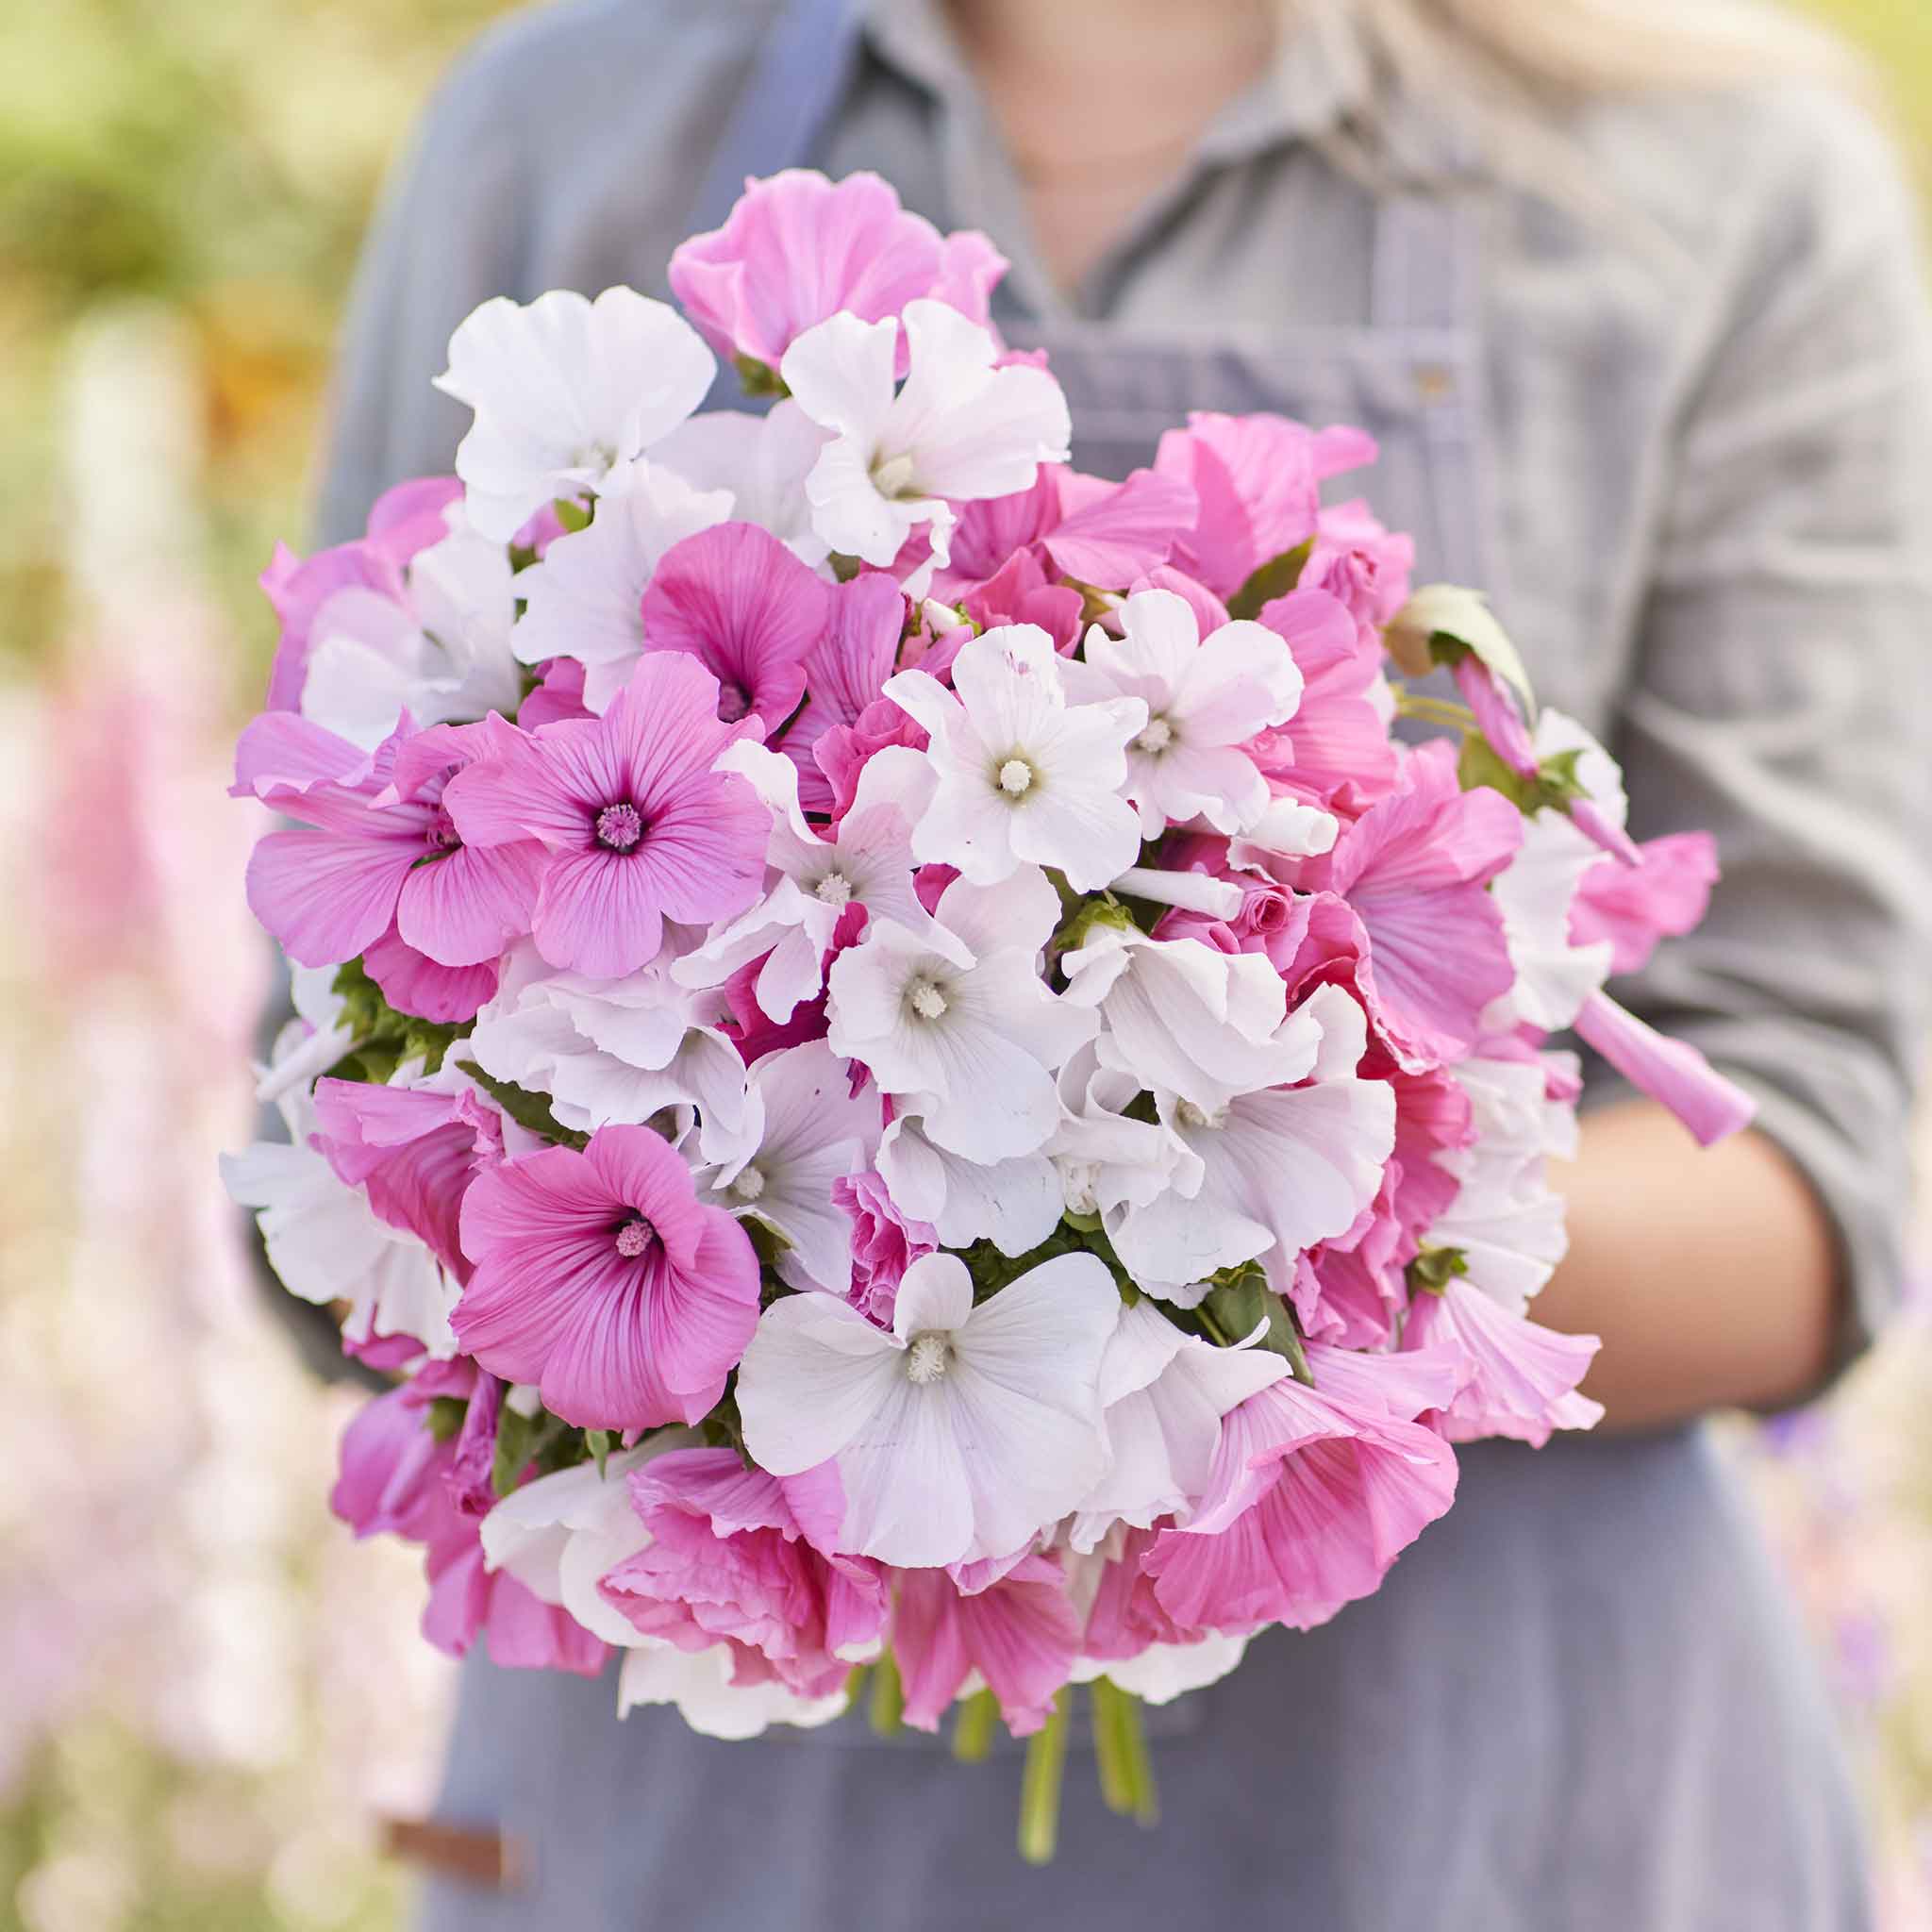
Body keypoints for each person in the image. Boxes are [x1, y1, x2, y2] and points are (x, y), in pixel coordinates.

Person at [313, 1, 1932, 1925]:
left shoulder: (1716, 174)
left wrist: (1164, 1224)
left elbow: (1811, 1169)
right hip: (715, 1833)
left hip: (1464, 1813)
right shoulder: (560, 125)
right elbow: (344, 1088)